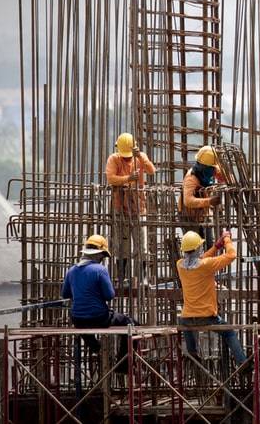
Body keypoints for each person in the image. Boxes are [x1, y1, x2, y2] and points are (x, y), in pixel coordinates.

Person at [60, 234, 137, 365]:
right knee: (131, 324)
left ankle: (95, 347)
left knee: (83, 325)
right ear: (98, 254)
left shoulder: (71, 271)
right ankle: (123, 366)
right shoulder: (100, 270)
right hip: (99, 317)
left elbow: (65, 294)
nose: (102, 259)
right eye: (102, 256)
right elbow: (109, 295)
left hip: (78, 319)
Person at [176, 230, 247, 366]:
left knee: (184, 324)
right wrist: (226, 239)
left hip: (187, 318)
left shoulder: (180, 265)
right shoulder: (206, 265)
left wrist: (216, 247)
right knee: (229, 332)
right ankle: (243, 363)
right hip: (207, 316)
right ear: (198, 248)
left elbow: (198, 259)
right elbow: (232, 255)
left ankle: (193, 354)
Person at [106, 132, 156, 283]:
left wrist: (140, 156)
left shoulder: (140, 158)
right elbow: (110, 178)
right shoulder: (114, 159)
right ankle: (122, 278)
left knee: (142, 247)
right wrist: (128, 178)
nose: (127, 157)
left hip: (139, 208)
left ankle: (142, 278)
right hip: (120, 208)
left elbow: (151, 170)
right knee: (122, 246)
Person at [179, 145, 224, 246]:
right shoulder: (191, 178)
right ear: (202, 166)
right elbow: (188, 201)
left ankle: (207, 260)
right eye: (210, 169)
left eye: (213, 168)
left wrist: (225, 178)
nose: (213, 171)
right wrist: (209, 201)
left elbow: (225, 178)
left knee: (209, 244)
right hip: (189, 215)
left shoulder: (211, 168)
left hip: (204, 213)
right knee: (194, 246)